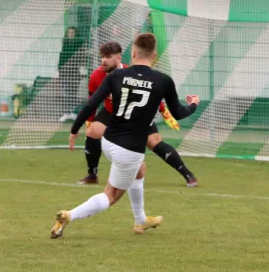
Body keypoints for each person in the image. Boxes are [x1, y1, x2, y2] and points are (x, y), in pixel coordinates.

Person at [50, 33, 199, 238]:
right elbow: (180, 113)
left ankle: (141, 220)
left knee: (140, 170)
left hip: (109, 140)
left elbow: (91, 104)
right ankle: (68, 215)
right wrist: (194, 104)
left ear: (134, 53)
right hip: (129, 150)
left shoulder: (116, 76)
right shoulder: (163, 80)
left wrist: (75, 130)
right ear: (154, 55)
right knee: (110, 196)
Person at [78, 41, 198, 187]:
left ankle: (187, 174)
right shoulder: (97, 75)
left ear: (118, 57)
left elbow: (151, 94)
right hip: (112, 112)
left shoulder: (131, 73)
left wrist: (165, 113)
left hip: (137, 115)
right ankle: (92, 174)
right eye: (102, 56)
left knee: (154, 142)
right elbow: (92, 101)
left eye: (108, 56)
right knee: (92, 132)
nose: (103, 60)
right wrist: (89, 121)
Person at [58, 26, 87, 122]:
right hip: (65, 72)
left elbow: (82, 56)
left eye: (73, 33)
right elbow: (62, 57)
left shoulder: (78, 44)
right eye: (69, 33)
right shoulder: (65, 44)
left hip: (75, 72)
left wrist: (82, 68)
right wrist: (59, 70)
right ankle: (66, 113)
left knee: (74, 92)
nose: (71, 34)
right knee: (66, 93)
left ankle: (73, 113)